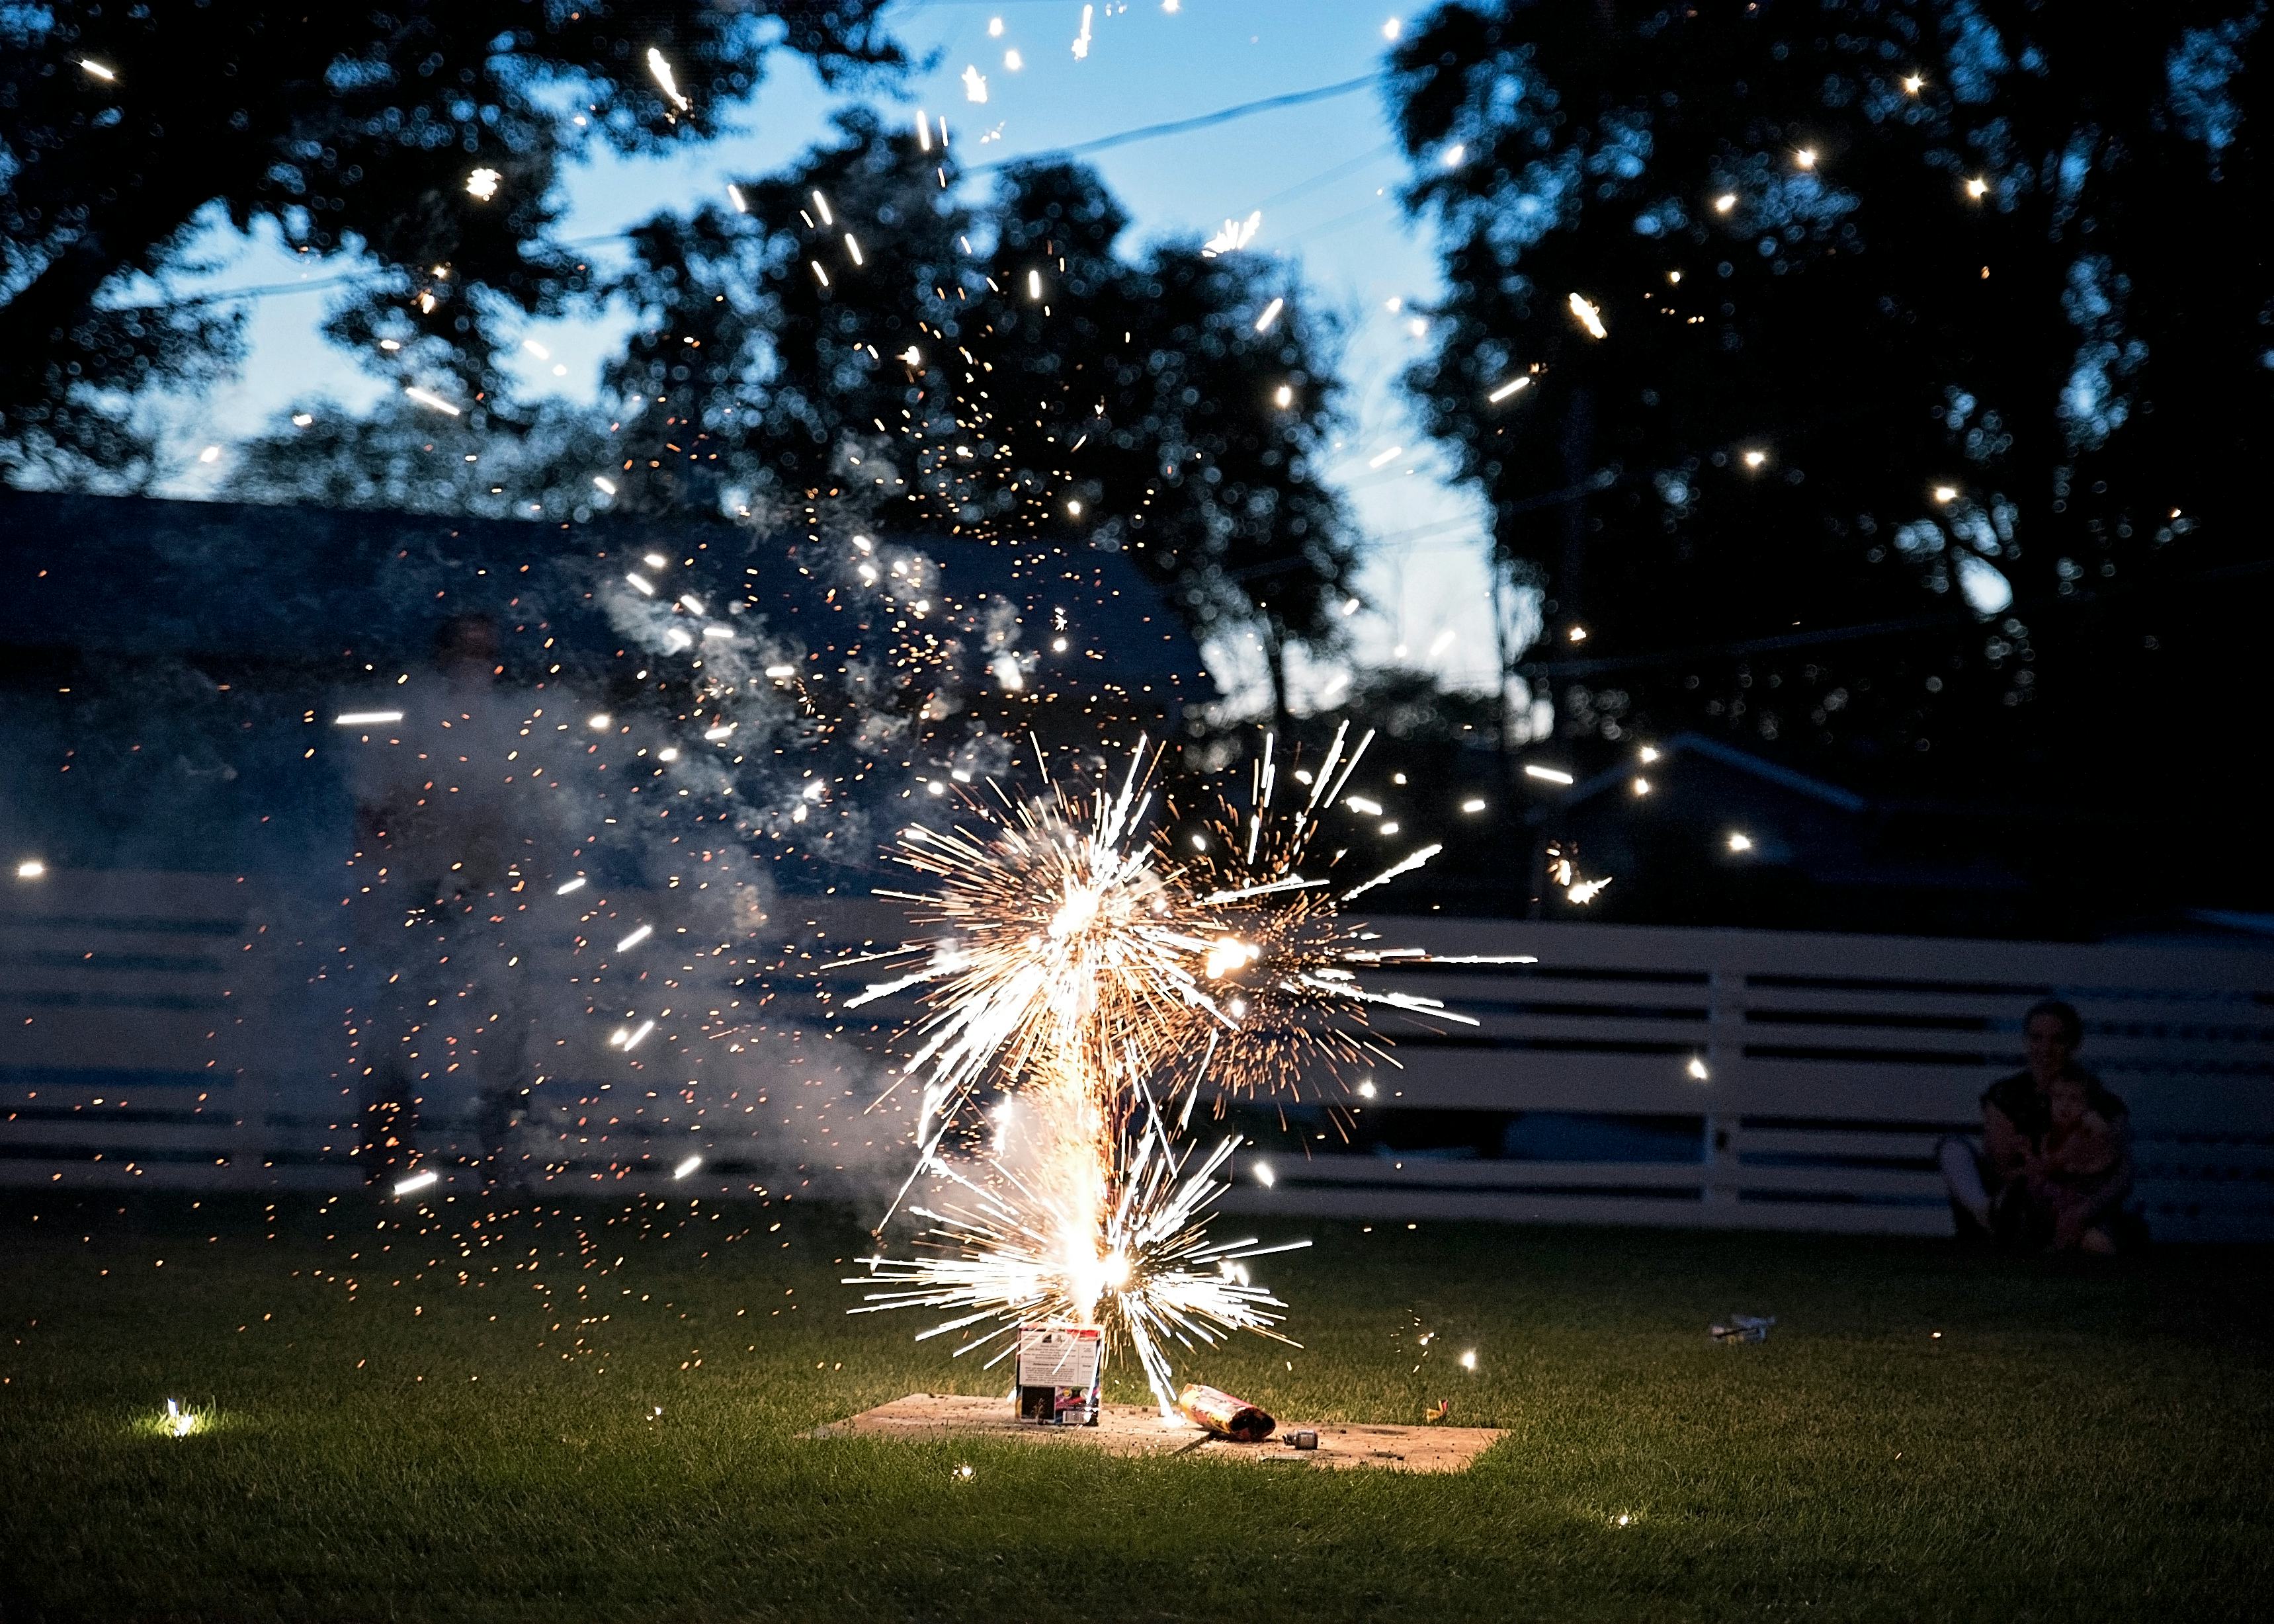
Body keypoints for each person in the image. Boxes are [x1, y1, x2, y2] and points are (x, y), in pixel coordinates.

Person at [1939, 998, 2135, 1253]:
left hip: (2073, 1200)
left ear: (2073, 1045)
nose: (2045, 1049)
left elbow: (2122, 1170)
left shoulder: (2101, 1102)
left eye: (2057, 1040)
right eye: (2037, 1038)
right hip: (2015, 1200)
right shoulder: (2007, 1094)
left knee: (2101, 1242)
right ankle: (1986, 1214)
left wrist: (2082, 1208)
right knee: (1953, 1149)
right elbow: (2000, 1163)